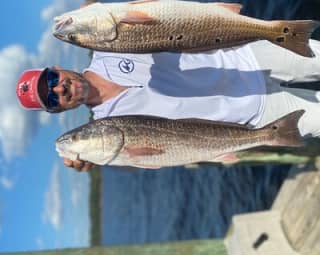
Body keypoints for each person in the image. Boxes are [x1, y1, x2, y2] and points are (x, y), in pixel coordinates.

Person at [16, 39, 320, 171]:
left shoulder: (106, 48)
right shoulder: (106, 126)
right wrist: (88, 157)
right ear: (58, 110)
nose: (59, 87)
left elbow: (157, 21)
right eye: (51, 98)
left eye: (51, 78)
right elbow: (150, 158)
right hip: (259, 117)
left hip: (250, 59)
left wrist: (99, 16)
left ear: (55, 67)